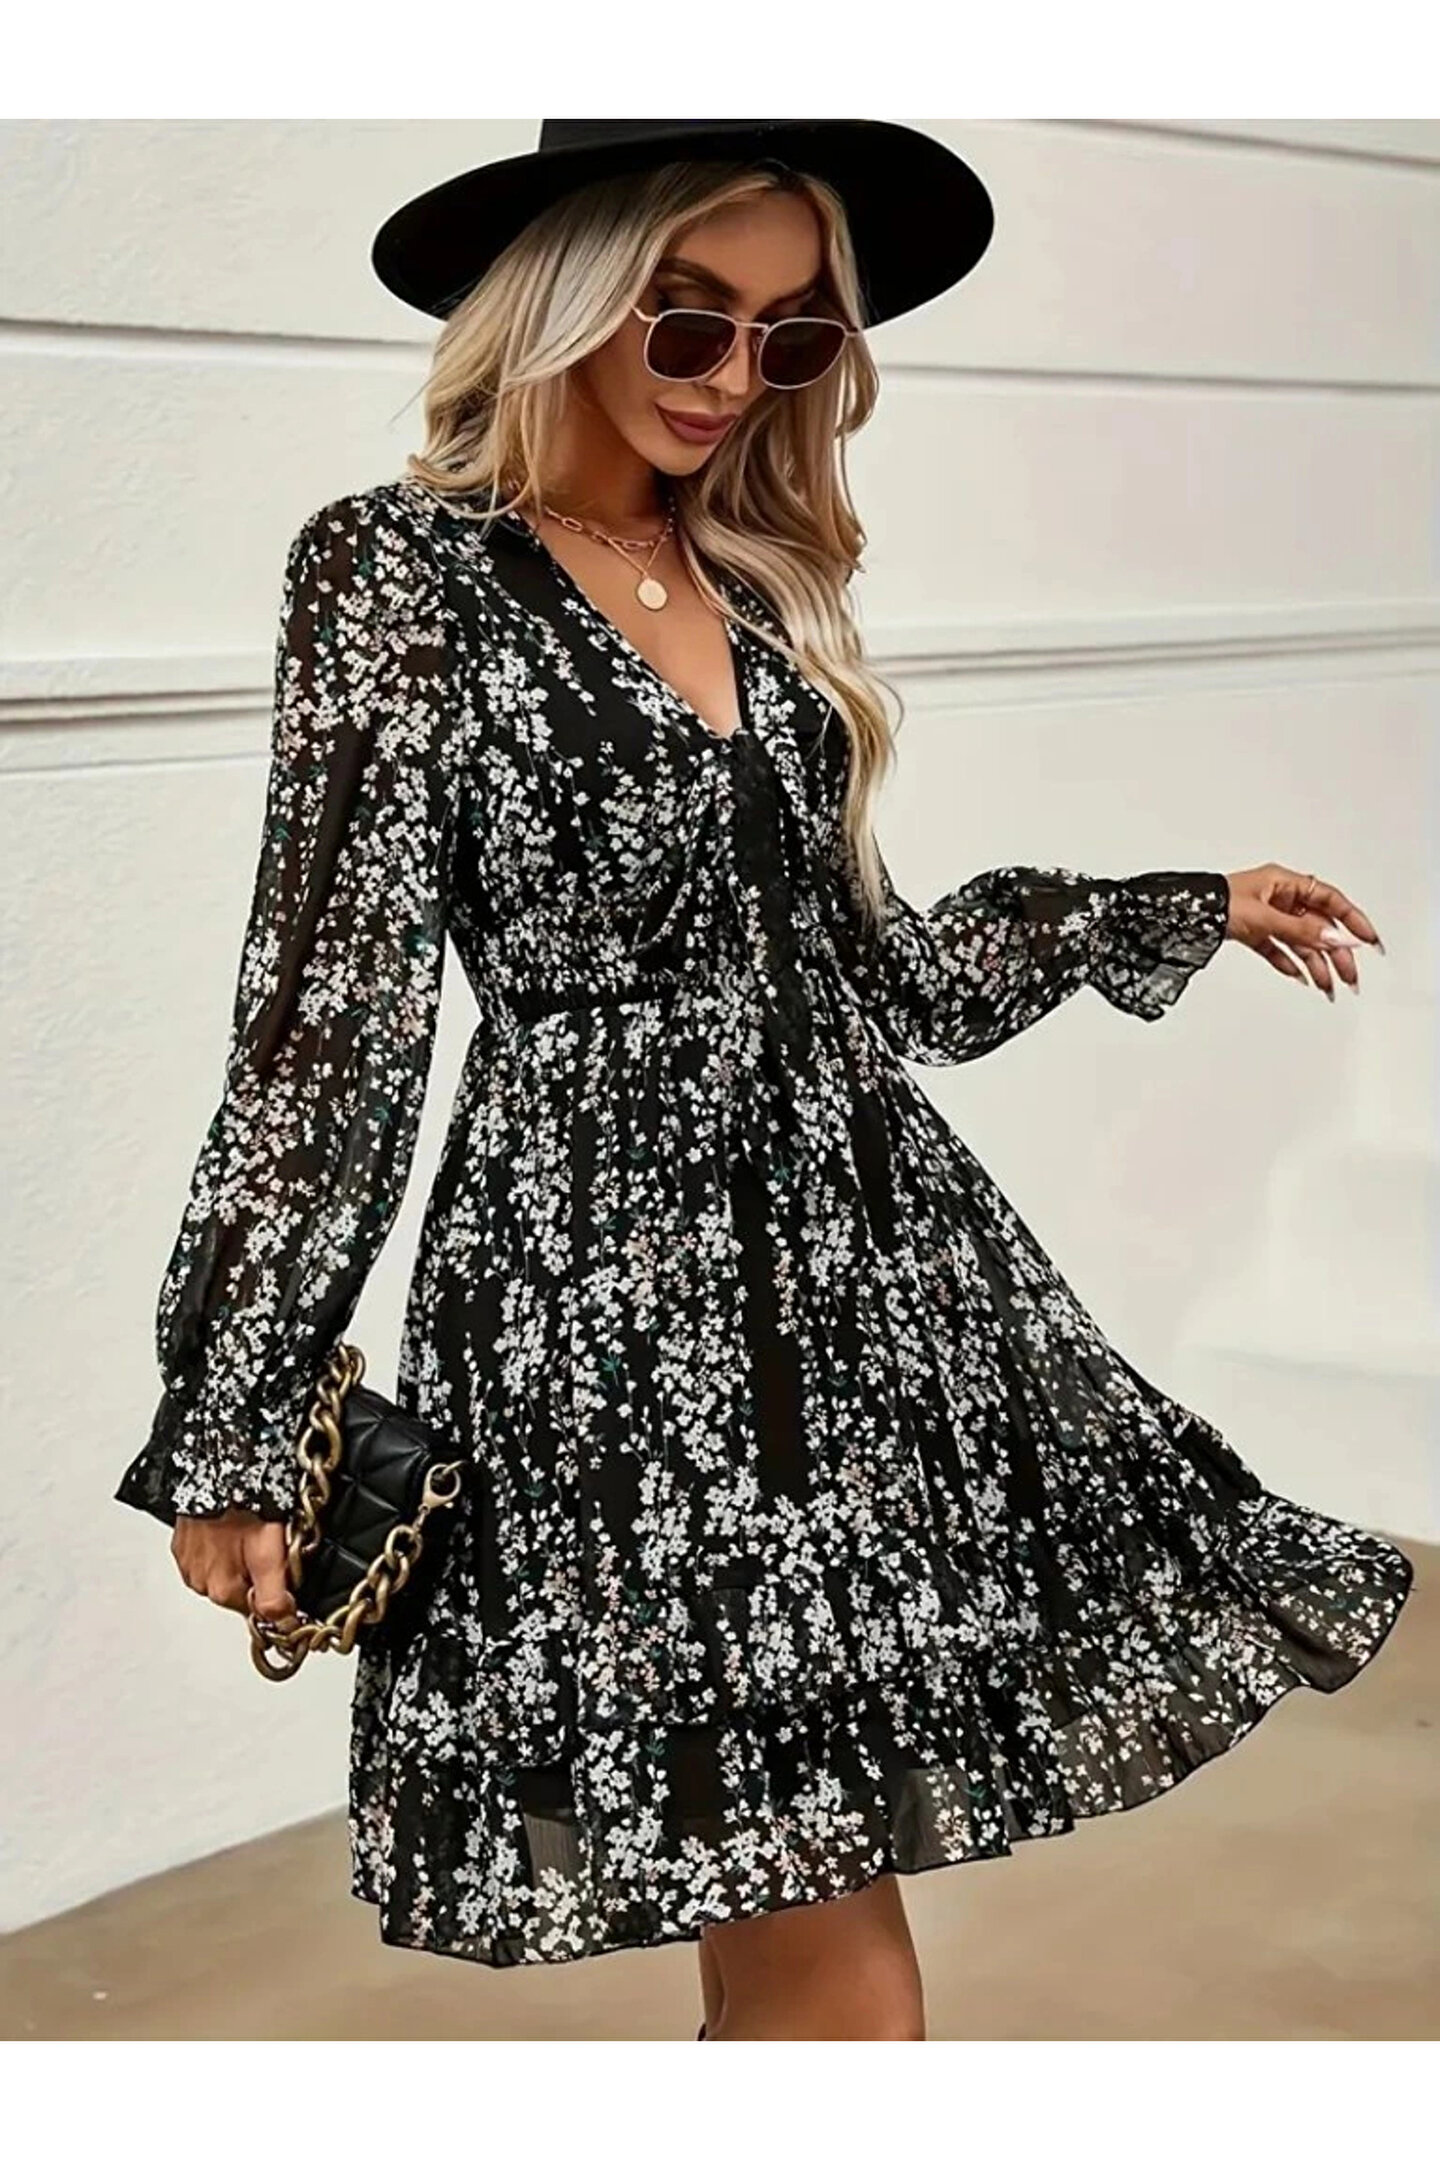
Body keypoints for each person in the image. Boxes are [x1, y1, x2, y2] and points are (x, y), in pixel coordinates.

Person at [113, 120, 1413, 2042]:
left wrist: (1173, 907)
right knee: (837, 1974)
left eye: (789, 336)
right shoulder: (400, 571)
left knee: (800, 1918)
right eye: (689, 318)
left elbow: (888, 982)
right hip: (609, 1331)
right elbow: (333, 1016)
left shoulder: (754, 589)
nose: (735, 377)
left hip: (851, 1315)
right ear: (564, 298)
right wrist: (235, 1413)